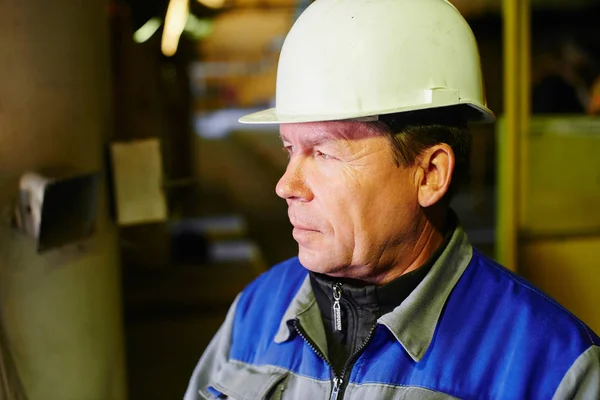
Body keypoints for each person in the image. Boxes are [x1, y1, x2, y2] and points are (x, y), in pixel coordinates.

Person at [185, 0, 600, 398]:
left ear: (430, 174)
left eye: (324, 153)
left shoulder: (553, 370)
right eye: (289, 150)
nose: (287, 185)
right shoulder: (253, 313)